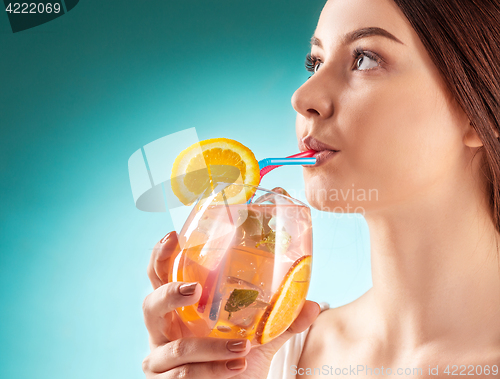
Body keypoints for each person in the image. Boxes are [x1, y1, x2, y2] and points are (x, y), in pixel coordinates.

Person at [141, 0, 500, 377]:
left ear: (479, 111)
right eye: (314, 63)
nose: (302, 97)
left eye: (365, 59)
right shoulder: (266, 358)